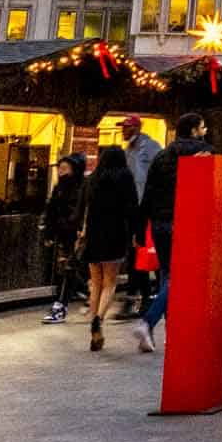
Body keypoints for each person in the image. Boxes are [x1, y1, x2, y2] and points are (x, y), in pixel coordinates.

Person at [134, 112, 212, 353]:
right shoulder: (203, 152)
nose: (205, 131)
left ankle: (169, 334)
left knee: (168, 276)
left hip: (159, 223)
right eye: (202, 127)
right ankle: (149, 322)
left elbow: (148, 194)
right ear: (192, 130)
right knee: (180, 278)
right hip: (185, 222)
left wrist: (140, 228)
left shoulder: (160, 156)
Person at [77, 145, 141, 351]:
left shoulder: (92, 179)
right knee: (110, 283)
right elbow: (132, 208)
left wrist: (81, 232)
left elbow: (81, 208)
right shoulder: (125, 177)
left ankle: (93, 327)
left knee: (95, 282)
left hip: (93, 234)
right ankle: (99, 319)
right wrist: (135, 234)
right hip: (115, 234)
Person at [116, 115, 162, 320]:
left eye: (126, 127)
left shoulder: (149, 146)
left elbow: (156, 172)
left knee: (147, 253)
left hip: (145, 209)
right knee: (136, 254)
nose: (123, 131)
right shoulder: (129, 149)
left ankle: (152, 297)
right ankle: (142, 297)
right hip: (132, 208)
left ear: (135, 128)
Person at [39, 153, 86, 324]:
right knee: (66, 268)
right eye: (60, 168)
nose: (61, 172)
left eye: (65, 168)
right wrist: (49, 232)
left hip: (76, 234)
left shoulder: (82, 187)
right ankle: (84, 291)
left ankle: (61, 305)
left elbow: (81, 211)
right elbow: (51, 209)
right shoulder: (59, 188)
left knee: (69, 268)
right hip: (63, 233)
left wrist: (79, 229)